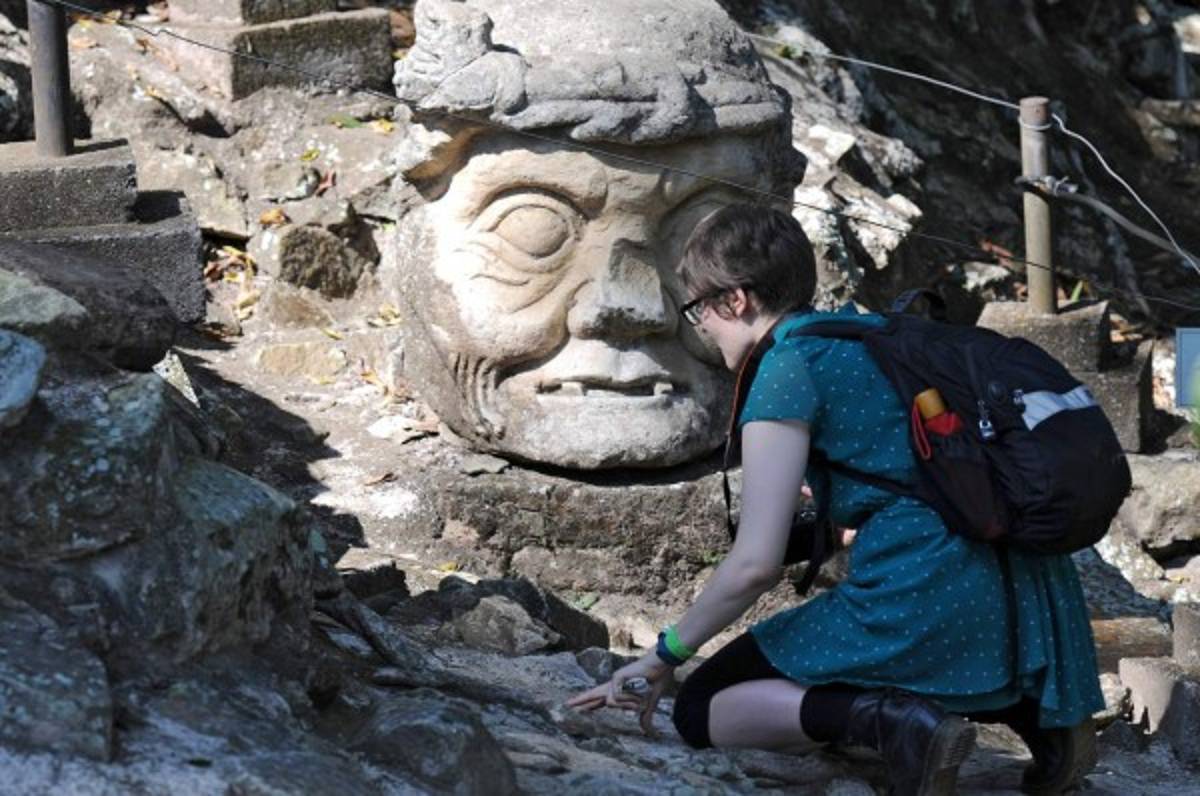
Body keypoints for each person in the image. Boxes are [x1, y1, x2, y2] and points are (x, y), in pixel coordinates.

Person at [567, 204, 1105, 796]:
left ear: (737, 300)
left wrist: (663, 657)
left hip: (930, 593)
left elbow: (755, 564)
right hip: (1030, 595)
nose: (703, 329)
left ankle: (897, 726)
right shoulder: (868, 334)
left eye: (698, 310)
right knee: (931, 649)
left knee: (704, 704)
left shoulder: (788, 369)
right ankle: (1044, 727)